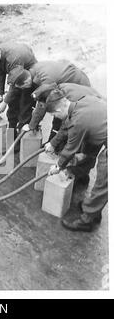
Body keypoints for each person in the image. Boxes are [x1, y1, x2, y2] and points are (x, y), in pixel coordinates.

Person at [44, 89, 107, 231]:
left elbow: (70, 149)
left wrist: (58, 166)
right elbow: (67, 125)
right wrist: (53, 143)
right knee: (90, 156)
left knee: (104, 181)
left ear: (60, 108)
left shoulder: (78, 122)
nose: (56, 117)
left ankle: (87, 220)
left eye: (54, 114)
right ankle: (92, 208)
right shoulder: (81, 101)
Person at [10, 60, 91, 140]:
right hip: (68, 77)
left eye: (22, 87)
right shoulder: (34, 70)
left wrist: (31, 125)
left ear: (26, 82)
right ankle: (54, 140)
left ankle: (58, 144)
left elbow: (42, 105)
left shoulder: (46, 81)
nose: (23, 89)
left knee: (62, 112)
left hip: (78, 83)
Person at [0, 42, 37, 143]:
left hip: (28, 75)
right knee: (12, 107)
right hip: (17, 75)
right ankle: (12, 135)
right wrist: (1, 95)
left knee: (24, 107)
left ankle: (21, 141)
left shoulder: (13, 58)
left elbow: (14, 86)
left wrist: (4, 103)